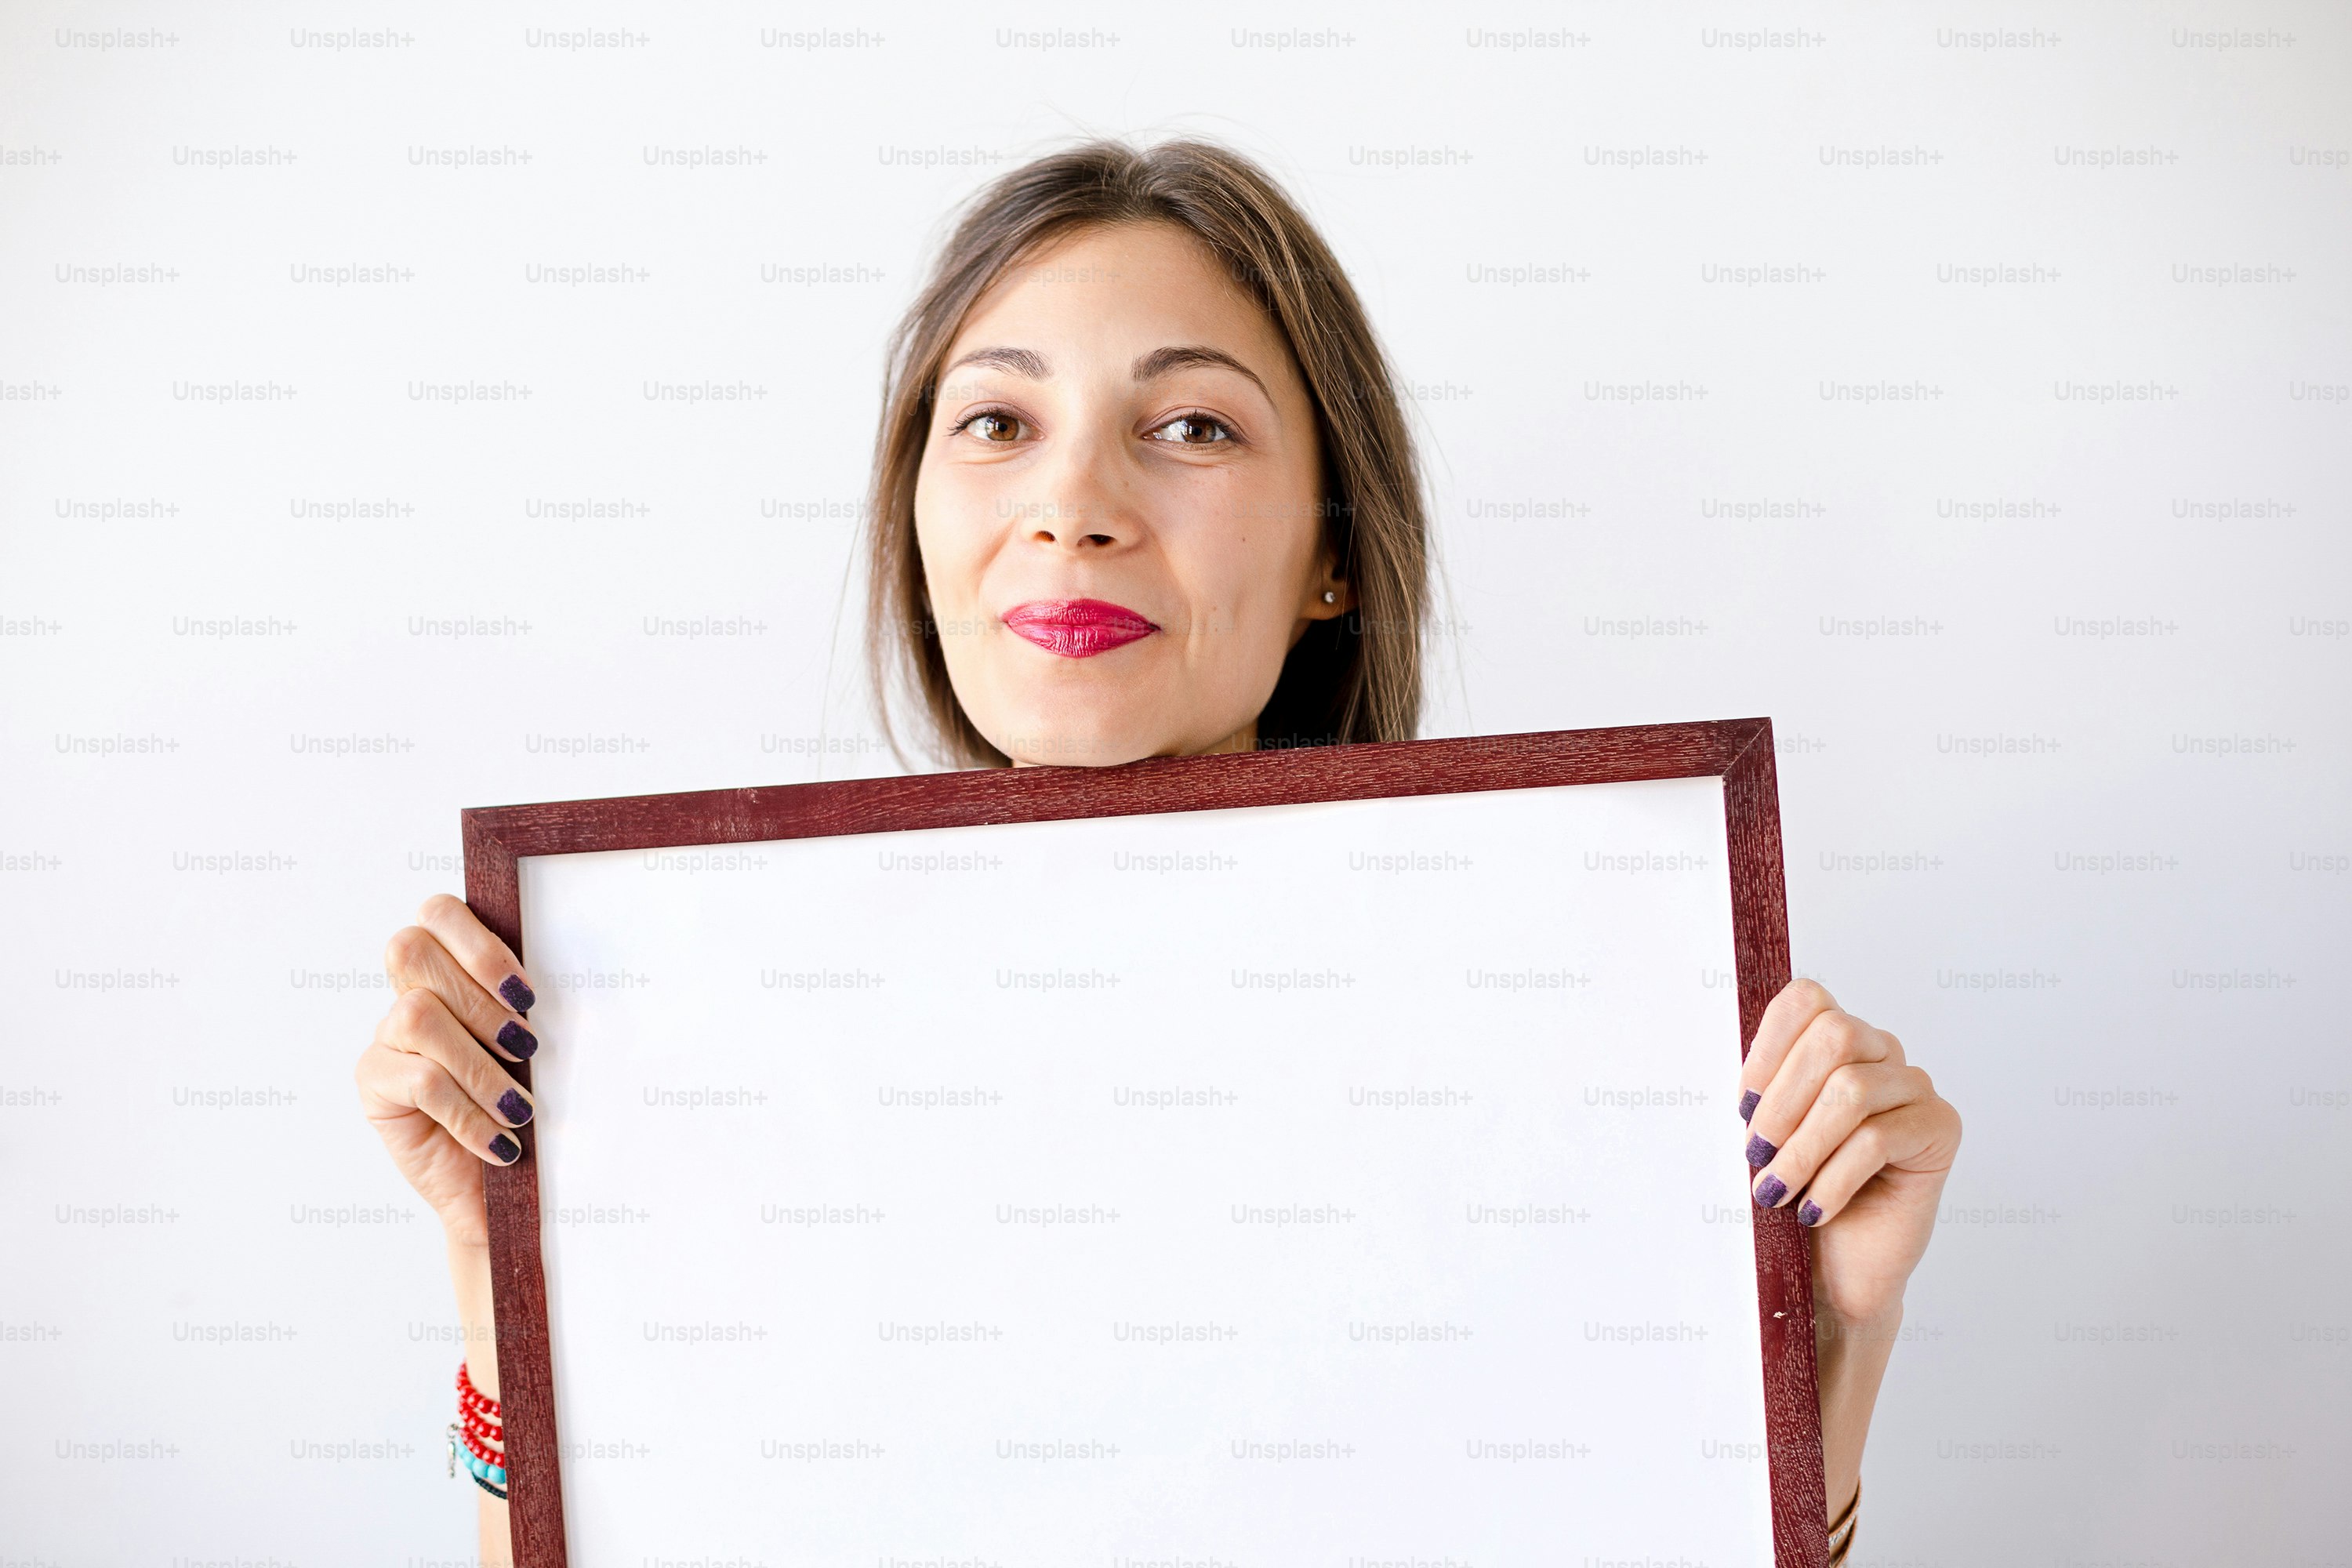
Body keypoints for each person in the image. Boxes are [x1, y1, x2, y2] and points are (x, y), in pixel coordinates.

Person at [357, 138, 1961, 1563]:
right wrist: (508, 1267)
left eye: (1191, 425)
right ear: (917, 522)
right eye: (998, 421)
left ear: (1334, 551)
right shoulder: (710, 1036)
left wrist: (1829, 1342)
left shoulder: (1587, 1018)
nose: (1074, 504)